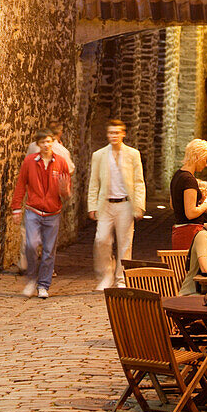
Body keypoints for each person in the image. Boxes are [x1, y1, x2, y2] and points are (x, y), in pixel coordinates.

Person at [12, 128, 70, 298]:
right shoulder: (30, 162)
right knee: (30, 245)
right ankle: (31, 279)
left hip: (53, 213)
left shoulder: (61, 162)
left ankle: (43, 285)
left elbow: (67, 192)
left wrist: (64, 190)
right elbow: (21, 185)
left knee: (48, 251)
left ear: (54, 143)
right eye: (43, 142)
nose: (46, 145)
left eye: (49, 141)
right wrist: (16, 208)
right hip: (33, 211)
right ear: (38, 144)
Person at [87, 120, 146, 289]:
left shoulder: (133, 154)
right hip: (106, 204)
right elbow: (94, 182)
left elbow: (138, 182)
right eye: (111, 133)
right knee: (101, 239)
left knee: (125, 243)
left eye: (117, 132)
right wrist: (92, 206)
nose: (114, 136)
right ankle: (106, 274)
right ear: (107, 134)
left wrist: (139, 206)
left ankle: (121, 278)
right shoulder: (99, 155)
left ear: (123, 134)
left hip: (125, 205)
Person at [168, 138, 207, 250]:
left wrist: (199, 201)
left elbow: (173, 205)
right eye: (205, 160)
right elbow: (190, 213)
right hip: (189, 231)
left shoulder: (177, 175)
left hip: (179, 229)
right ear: (198, 157)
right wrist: (206, 206)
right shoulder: (189, 180)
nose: (206, 165)